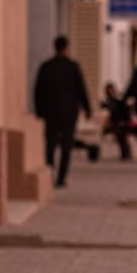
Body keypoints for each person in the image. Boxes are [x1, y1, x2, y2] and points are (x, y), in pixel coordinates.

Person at [34, 35, 91, 188]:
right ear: (66, 48)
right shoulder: (73, 67)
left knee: (50, 144)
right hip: (68, 112)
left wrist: (39, 111)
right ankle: (61, 178)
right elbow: (81, 89)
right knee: (66, 145)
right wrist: (87, 108)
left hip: (50, 112)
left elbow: (38, 91)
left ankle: (50, 173)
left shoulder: (46, 67)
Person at [102, 82, 133, 160]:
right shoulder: (110, 100)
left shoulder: (116, 99)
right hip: (118, 120)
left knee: (122, 137)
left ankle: (126, 154)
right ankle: (125, 154)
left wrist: (123, 120)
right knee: (121, 137)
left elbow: (120, 109)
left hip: (121, 120)